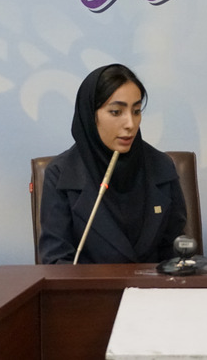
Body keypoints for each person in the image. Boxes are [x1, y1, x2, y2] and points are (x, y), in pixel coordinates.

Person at [38, 64, 187, 264]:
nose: (130, 124)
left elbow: (177, 252)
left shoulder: (161, 166)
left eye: (136, 111)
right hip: (90, 285)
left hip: (153, 283)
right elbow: (56, 261)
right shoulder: (60, 174)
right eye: (116, 112)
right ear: (90, 115)